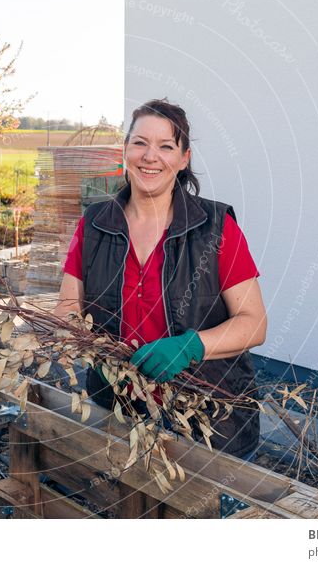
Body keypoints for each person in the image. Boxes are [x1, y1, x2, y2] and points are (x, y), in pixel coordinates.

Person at [53, 98, 267, 459]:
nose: (150, 156)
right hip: (120, 412)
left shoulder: (215, 227)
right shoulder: (94, 225)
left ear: (183, 159)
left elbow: (254, 323)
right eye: (139, 143)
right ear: (125, 151)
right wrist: (96, 355)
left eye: (166, 146)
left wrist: (190, 347)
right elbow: (67, 310)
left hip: (209, 420)